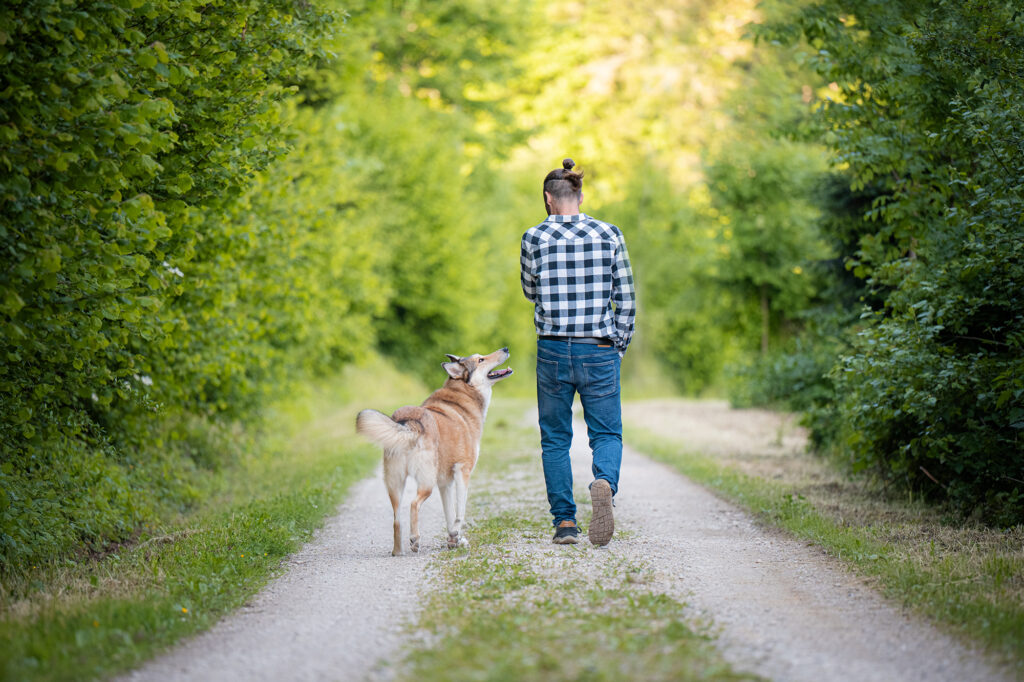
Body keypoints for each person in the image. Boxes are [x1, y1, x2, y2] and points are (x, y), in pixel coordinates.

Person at [520, 158, 636, 546]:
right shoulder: (609, 233)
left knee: (555, 438)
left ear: (549, 199)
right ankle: (603, 481)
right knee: (606, 433)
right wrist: (617, 346)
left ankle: (565, 524)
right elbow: (627, 299)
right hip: (598, 347)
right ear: (580, 196)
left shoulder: (533, 237)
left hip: (552, 349)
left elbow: (530, 291)